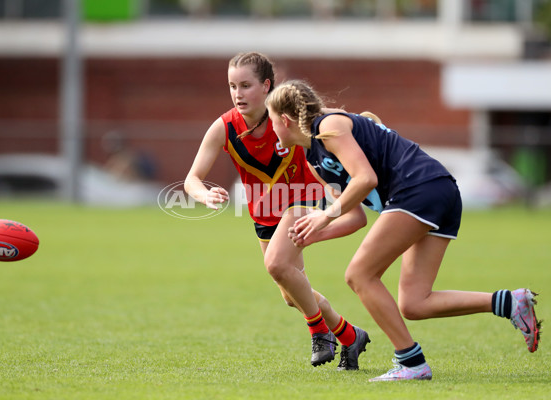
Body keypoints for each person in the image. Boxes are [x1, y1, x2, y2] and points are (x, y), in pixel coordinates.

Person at [265, 79, 541, 381]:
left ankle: (411, 363)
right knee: (414, 302)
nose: (271, 129)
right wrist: (315, 233)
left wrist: (325, 216)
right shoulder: (314, 159)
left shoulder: (329, 127)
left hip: (419, 188)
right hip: (436, 191)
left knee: (359, 275)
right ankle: (511, 302)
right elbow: (356, 217)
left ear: (285, 120)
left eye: (271, 120)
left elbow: (365, 179)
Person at [184, 53, 371, 370]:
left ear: (266, 85)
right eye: (232, 86)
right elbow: (191, 179)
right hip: (264, 216)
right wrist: (204, 195)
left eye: (246, 85)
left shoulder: (288, 116)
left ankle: (320, 332)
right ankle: (350, 335)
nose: (238, 93)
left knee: (285, 275)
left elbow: (332, 122)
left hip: (303, 204)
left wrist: (366, 131)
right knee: (291, 294)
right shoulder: (225, 127)